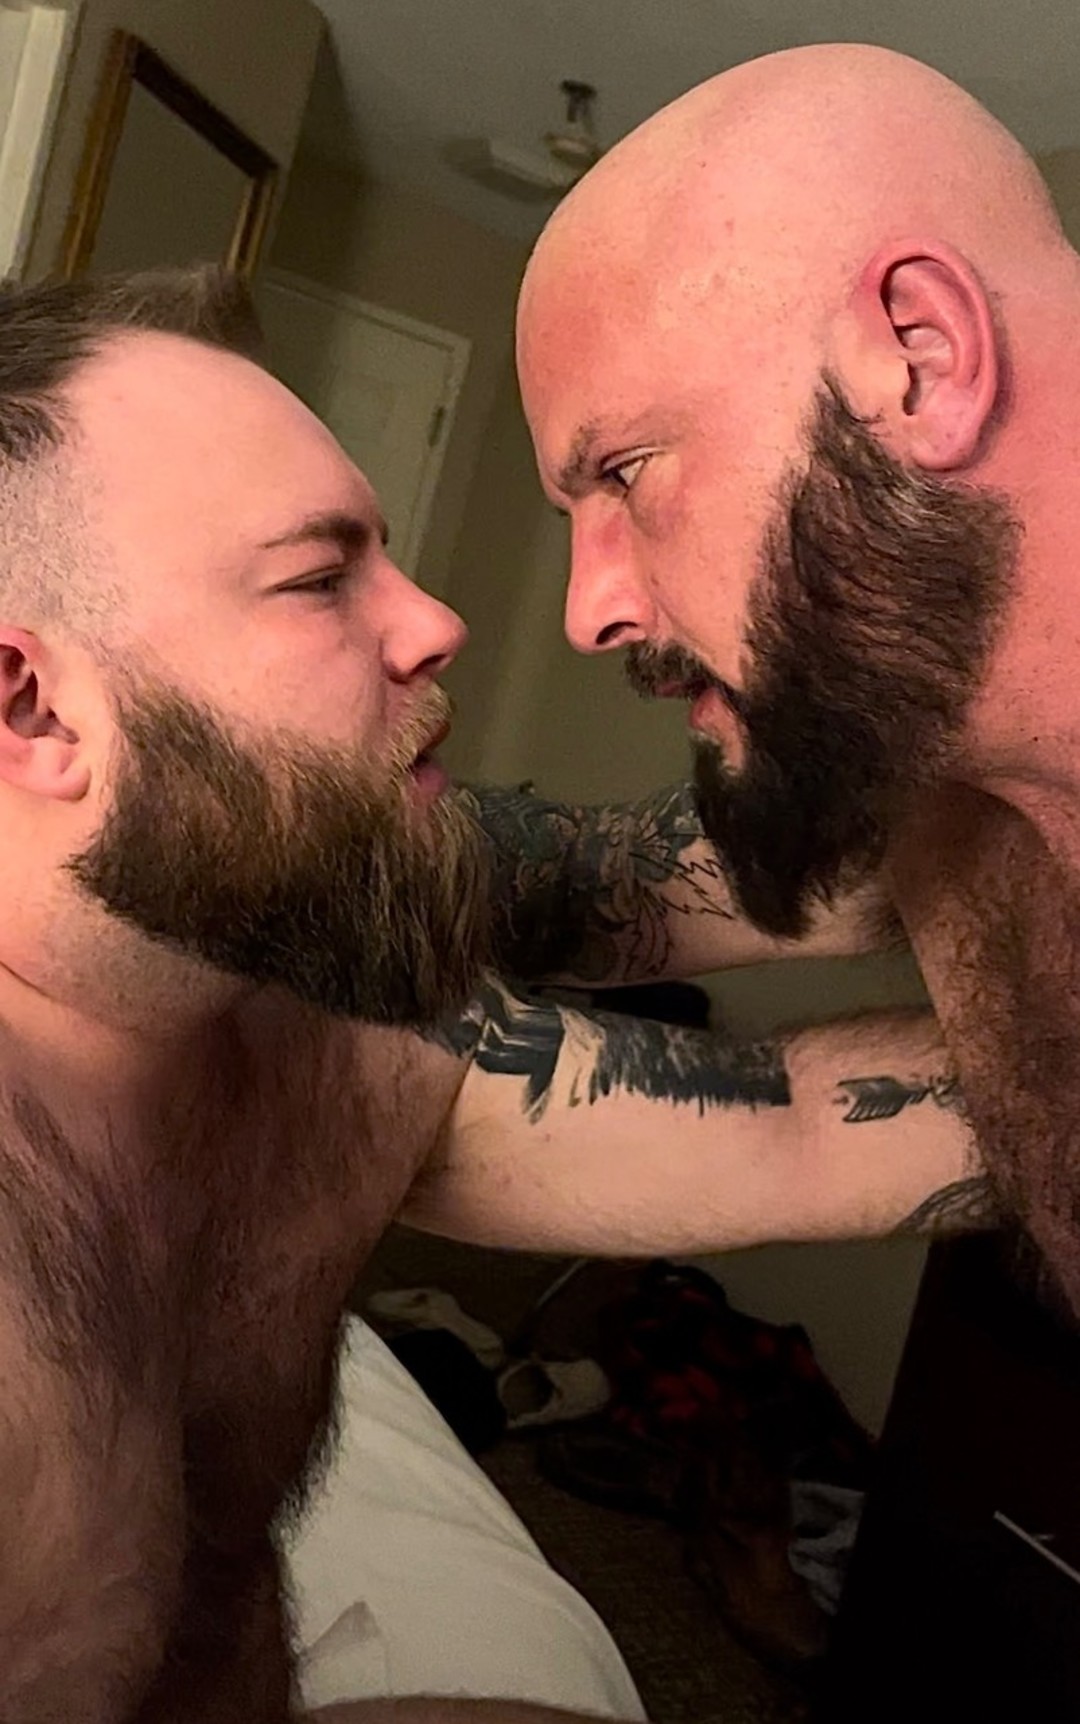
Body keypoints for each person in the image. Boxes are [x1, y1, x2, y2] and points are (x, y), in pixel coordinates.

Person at [0, 265, 981, 1717]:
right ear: (32, 707)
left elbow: (798, 1117)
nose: (435, 620)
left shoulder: (314, 1023)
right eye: (320, 578)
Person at [508, 41, 1080, 1320]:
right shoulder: (933, 775)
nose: (590, 610)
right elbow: (557, 887)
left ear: (920, 356)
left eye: (625, 472)